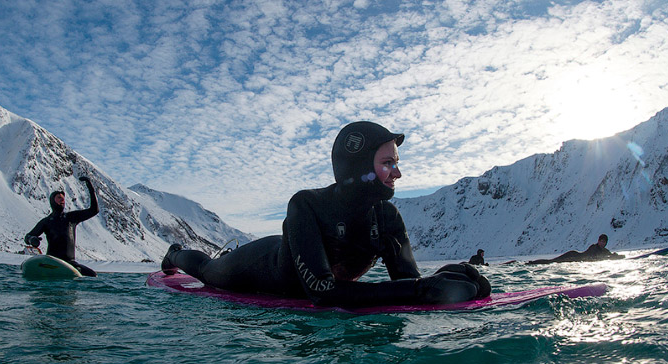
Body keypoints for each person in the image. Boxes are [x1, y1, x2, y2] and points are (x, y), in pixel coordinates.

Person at [161, 121, 490, 308]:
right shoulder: (306, 205)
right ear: (360, 166)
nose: (397, 174)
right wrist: (420, 290)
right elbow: (322, 292)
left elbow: (406, 282)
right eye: (388, 163)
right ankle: (175, 254)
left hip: (300, 254)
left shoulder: (387, 218)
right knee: (207, 269)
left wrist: (447, 277)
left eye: (397, 163)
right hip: (260, 265)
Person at [25, 176, 99, 277]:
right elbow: (28, 236)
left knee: (92, 275)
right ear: (52, 201)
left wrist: (90, 188)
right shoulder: (46, 221)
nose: (62, 200)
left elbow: (94, 210)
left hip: (70, 263)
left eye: (63, 198)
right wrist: (32, 239)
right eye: (59, 198)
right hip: (52, 261)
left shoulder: (71, 218)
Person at [527, 233, 624, 265]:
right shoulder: (594, 247)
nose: (602, 243)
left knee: (553, 262)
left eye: (604, 242)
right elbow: (594, 257)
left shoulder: (605, 251)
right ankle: (532, 263)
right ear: (598, 241)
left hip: (575, 258)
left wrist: (615, 256)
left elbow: (608, 255)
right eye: (601, 241)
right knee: (552, 261)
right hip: (573, 255)